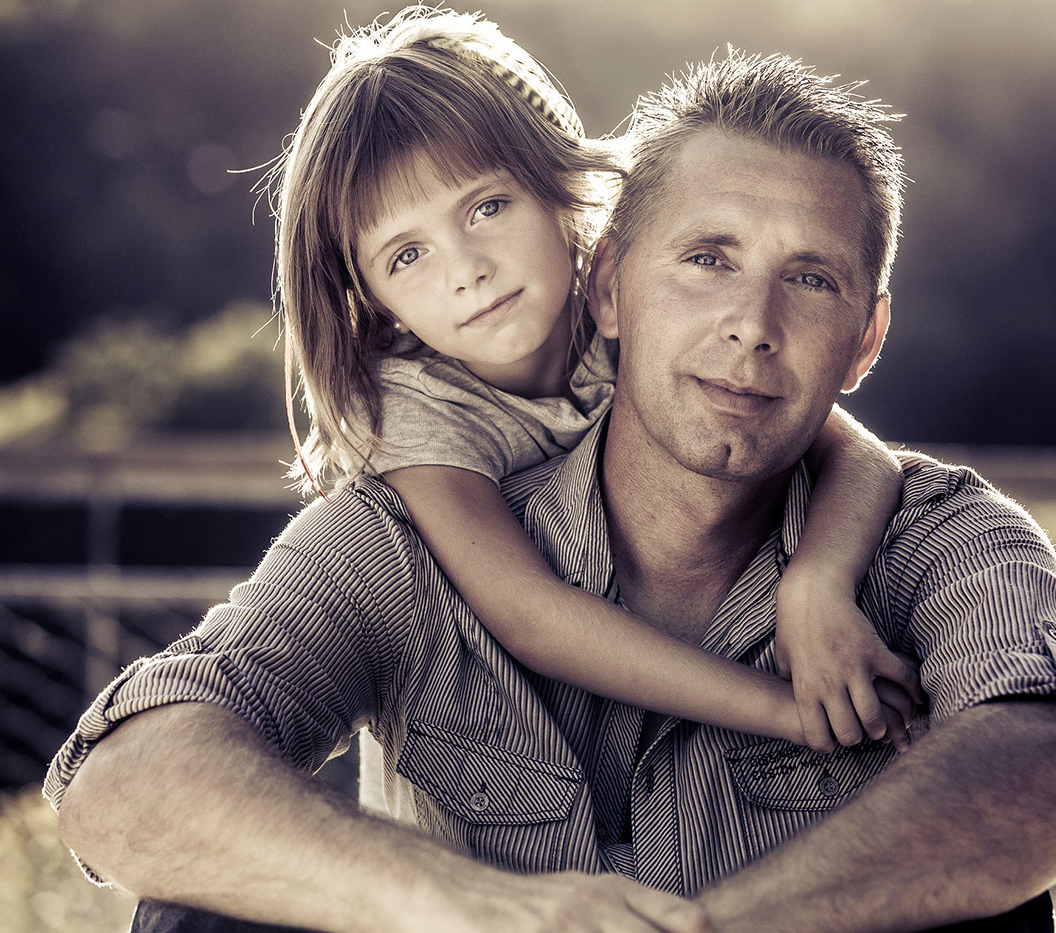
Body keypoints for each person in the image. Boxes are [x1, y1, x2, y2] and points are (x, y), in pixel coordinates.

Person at [46, 11, 1056, 933]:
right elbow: (128, 781)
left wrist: (816, 587)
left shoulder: (941, 534)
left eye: (809, 281)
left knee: (977, 879)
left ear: (866, 341)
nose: (748, 326)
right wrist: (489, 911)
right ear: (612, 287)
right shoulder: (411, 505)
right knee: (205, 903)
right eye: (707, 259)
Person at [276, 7, 919, 754]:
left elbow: (858, 453)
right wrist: (785, 711)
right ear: (369, 295)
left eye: (487, 207)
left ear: (560, 189)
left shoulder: (632, 308)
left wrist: (816, 586)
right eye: (407, 256)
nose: (467, 269)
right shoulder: (414, 413)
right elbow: (530, 614)